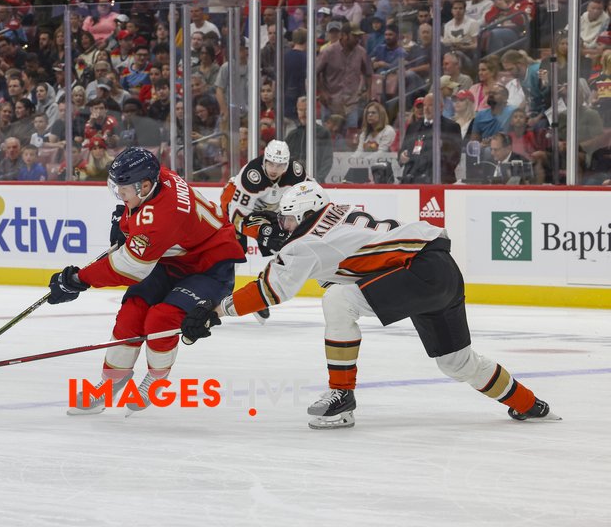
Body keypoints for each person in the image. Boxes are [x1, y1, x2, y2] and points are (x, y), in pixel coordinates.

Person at [181, 180, 559, 428]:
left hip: (418, 272)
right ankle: (529, 403)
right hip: (439, 267)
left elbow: (270, 289)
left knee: (339, 300)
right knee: (456, 361)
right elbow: (339, 258)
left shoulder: (307, 242)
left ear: (305, 214)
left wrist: (216, 311)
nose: (284, 225)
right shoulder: (339, 212)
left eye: (288, 219)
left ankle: (342, 396)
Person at [49, 147, 246, 415]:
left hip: (209, 266)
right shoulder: (156, 177)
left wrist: (78, 279)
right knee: (132, 312)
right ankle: (111, 382)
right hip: (171, 258)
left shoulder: (161, 217)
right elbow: (142, 220)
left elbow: (129, 268)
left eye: (123, 190)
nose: (119, 194)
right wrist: (124, 217)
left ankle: (155, 379)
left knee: (161, 318)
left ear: (143, 186)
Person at [220, 139, 306, 257]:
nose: (274, 170)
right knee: (236, 249)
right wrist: (260, 233)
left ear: (287, 164)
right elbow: (237, 217)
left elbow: (309, 194)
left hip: (267, 209)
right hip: (234, 204)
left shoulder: (295, 172)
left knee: (279, 247)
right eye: (270, 163)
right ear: (264, 160)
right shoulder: (252, 175)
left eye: (279, 165)